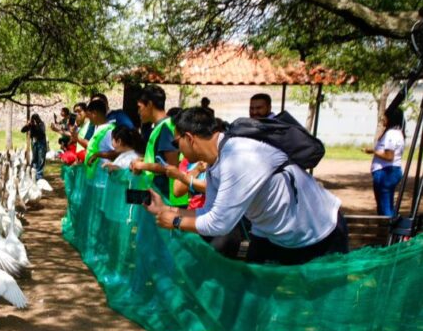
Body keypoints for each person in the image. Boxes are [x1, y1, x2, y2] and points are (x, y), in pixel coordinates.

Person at [147, 106, 348, 265]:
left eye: (176, 143)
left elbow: (219, 224)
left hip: (319, 232)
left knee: (321, 305)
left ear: (189, 138)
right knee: (256, 299)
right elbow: (209, 211)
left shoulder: (239, 156)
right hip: (273, 235)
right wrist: (167, 210)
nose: (176, 149)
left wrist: (174, 221)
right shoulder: (215, 161)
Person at [129, 85, 186, 206]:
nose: (138, 111)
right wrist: (143, 160)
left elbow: (171, 166)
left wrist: (142, 165)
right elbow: (161, 159)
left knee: (129, 207)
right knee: (128, 200)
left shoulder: (166, 128)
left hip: (167, 198)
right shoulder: (159, 127)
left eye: (139, 107)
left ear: (149, 104)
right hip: (155, 192)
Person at [365, 107, 406, 217]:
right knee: (385, 205)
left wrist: (373, 151)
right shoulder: (397, 133)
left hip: (386, 173)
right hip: (389, 171)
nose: (383, 119)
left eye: (385, 117)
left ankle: (388, 231)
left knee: (385, 208)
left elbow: (389, 156)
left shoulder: (391, 134)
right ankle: (385, 231)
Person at [83, 99, 117, 177]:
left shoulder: (109, 131)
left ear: (94, 113)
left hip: (103, 178)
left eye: (89, 116)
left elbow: (116, 152)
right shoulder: (99, 128)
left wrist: (97, 155)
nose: (89, 120)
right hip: (95, 176)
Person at [21, 113, 48, 179]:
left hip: (41, 142)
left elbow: (42, 132)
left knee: (41, 158)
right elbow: (22, 130)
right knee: (35, 158)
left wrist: (36, 125)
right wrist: (28, 125)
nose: (35, 120)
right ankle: (34, 174)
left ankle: (39, 175)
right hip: (34, 142)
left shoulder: (41, 124)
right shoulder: (31, 125)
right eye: (33, 119)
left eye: (36, 119)